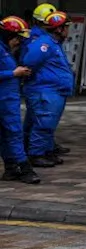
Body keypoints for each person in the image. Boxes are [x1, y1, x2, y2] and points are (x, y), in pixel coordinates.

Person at [20, 10, 74, 168]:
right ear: (59, 29)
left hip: (54, 91)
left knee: (49, 124)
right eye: (66, 27)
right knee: (43, 123)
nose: (68, 30)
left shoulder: (53, 43)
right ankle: (36, 154)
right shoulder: (44, 44)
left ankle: (47, 150)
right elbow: (29, 61)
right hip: (45, 91)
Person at [0, 17, 38, 184]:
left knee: (5, 134)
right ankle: (24, 168)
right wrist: (14, 74)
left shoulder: (5, 49)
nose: (18, 42)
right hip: (5, 100)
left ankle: (10, 168)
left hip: (8, 98)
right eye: (17, 38)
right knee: (14, 133)